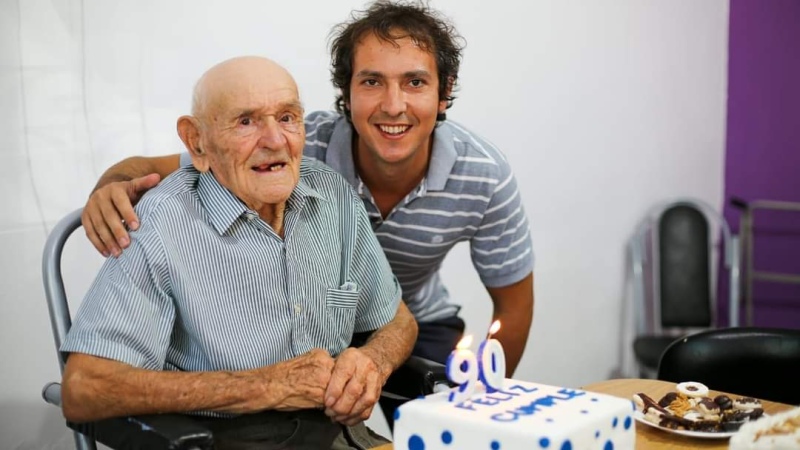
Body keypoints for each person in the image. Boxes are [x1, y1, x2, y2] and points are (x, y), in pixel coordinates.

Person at [82, 0, 533, 378]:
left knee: (438, 422)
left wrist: (482, 403)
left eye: (415, 82)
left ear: (443, 92)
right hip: (309, 325)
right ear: (347, 92)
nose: (393, 105)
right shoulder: (294, 146)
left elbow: (512, 307)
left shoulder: (484, 175)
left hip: (408, 316)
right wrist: (109, 186)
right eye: (372, 81)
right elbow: (163, 163)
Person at [61, 56, 417, 450]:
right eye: (246, 121)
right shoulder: (163, 220)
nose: (275, 140)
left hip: (341, 435)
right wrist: (267, 385)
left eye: (287, 117)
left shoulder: (331, 194)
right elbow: (84, 388)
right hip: (222, 439)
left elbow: (398, 322)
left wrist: (373, 362)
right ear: (197, 141)